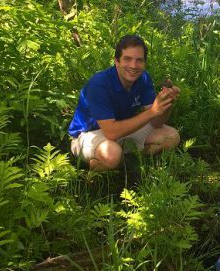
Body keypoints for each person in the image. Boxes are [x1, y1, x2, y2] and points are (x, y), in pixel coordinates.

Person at [68, 34, 180, 170]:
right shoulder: (99, 84)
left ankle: (127, 161)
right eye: (127, 59)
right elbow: (111, 132)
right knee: (111, 154)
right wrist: (152, 112)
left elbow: (156, 123)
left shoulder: (143, 78)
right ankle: (93, 177)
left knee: (171, 137)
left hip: (122, 129)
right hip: (88, 135)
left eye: (139, 60)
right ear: (117, 61)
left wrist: (166, 103)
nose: (134, 65)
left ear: (144, 63)